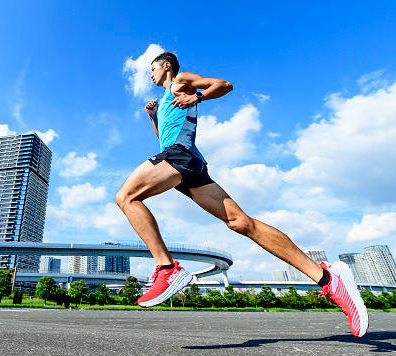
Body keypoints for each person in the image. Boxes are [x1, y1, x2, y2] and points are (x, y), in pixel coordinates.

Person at [116, 52, 368, 337]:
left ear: (166, 66)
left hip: (180, 157)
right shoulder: (165, 100)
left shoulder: (179, 83)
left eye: (152, 69)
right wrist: (153, 117)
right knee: (241, 223)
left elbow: (224, 85)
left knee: (126, 197)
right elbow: (164, 136)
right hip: (185, 163)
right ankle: (327, 279)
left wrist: (196, 97)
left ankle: (167, 267)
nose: (150, 75)